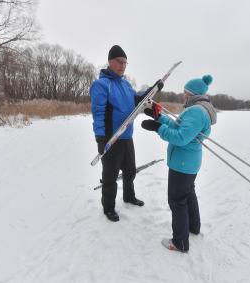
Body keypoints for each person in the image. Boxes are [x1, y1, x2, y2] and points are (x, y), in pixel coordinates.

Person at [141, 74, 216, 252]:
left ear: (192, 94)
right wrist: (159, 118)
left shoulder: (196, 112)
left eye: (185, 93)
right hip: (188, 163)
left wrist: (158, 128)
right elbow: (179, 125)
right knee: (188, 194)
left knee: (177, 200)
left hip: (182, 164)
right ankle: (193, 227)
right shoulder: (198, 109)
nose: (183, 96)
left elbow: (181, 137)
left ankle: (180, 242)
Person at [90, 45, 162, 222]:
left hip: (127, 137)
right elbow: (98, 113)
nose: (123, 65)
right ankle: (108, 207)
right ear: (110, 62)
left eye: (125, 63)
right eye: (119, 62)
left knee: (130, 172)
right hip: (110, 139)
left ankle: (129, 196)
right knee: (110, 177)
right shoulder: (101, 85)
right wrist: (100, 138)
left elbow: (137, 101)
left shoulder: (126, 84)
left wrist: (153, 89)